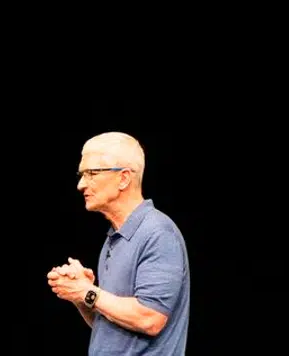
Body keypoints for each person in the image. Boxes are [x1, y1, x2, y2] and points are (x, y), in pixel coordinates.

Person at [47, 132, 190, 355]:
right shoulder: (116, 236)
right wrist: (81, 296)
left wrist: (88, 292)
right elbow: (109, 325)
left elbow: (150, 318)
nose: (81, 184)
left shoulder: (158, 233)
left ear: (123, 178)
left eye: (91, 173)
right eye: (81, 174)